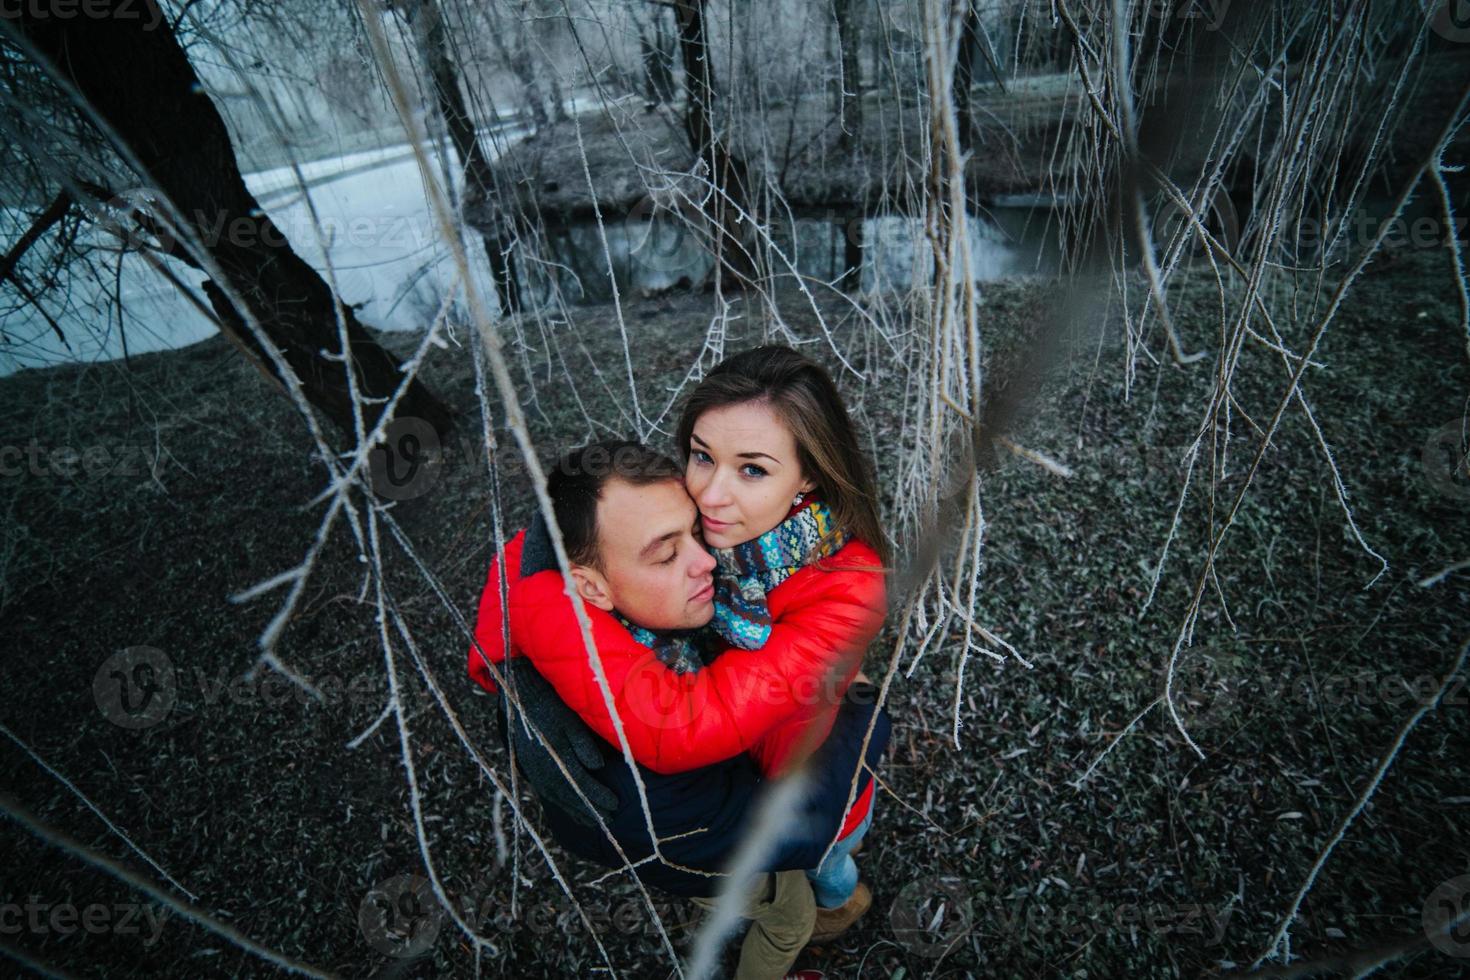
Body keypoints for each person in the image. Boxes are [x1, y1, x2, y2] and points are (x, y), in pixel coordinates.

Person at [497, 346, 891, 943]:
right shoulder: (710, 536)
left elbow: (683, 724)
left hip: (806, 790)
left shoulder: (848, 589)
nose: (710, 495)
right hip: (736, 780)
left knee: (826, 866)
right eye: (702, 456)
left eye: (752, 470)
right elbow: (584, 528)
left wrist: (537, 601)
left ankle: (841, 908)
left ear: (808, 476)